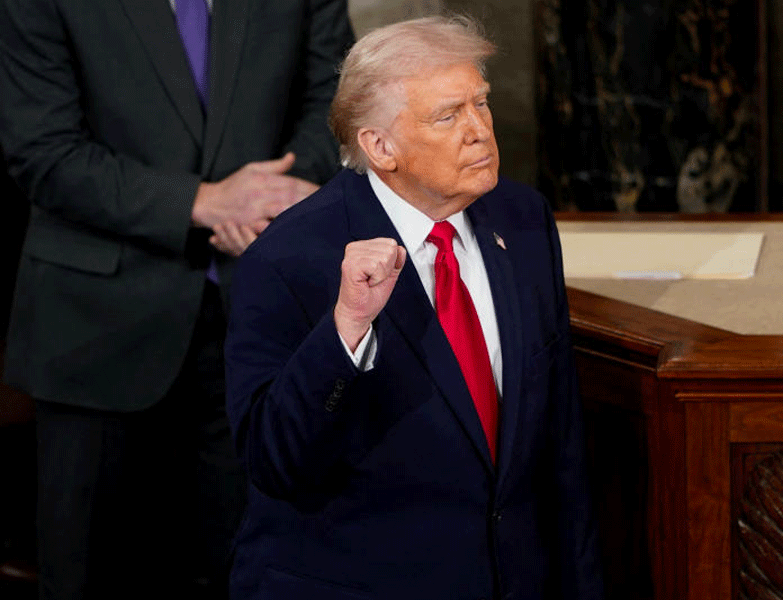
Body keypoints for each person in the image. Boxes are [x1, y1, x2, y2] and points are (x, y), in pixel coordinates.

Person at [224, 15, 605, 600]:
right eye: (448, 116)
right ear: (380, 147)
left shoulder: (522, 220)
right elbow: (275, 463)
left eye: (482, 104)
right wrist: (346, 328)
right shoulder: (288, 258)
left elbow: (562, 446)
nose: (479, 131)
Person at [0, 0, 354, 598]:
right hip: (98, 329)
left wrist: (274, 195)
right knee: (93, 576)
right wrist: (204, 201)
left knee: (255, 572)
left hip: (264, 321)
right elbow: (42, 149)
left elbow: (340, 100)